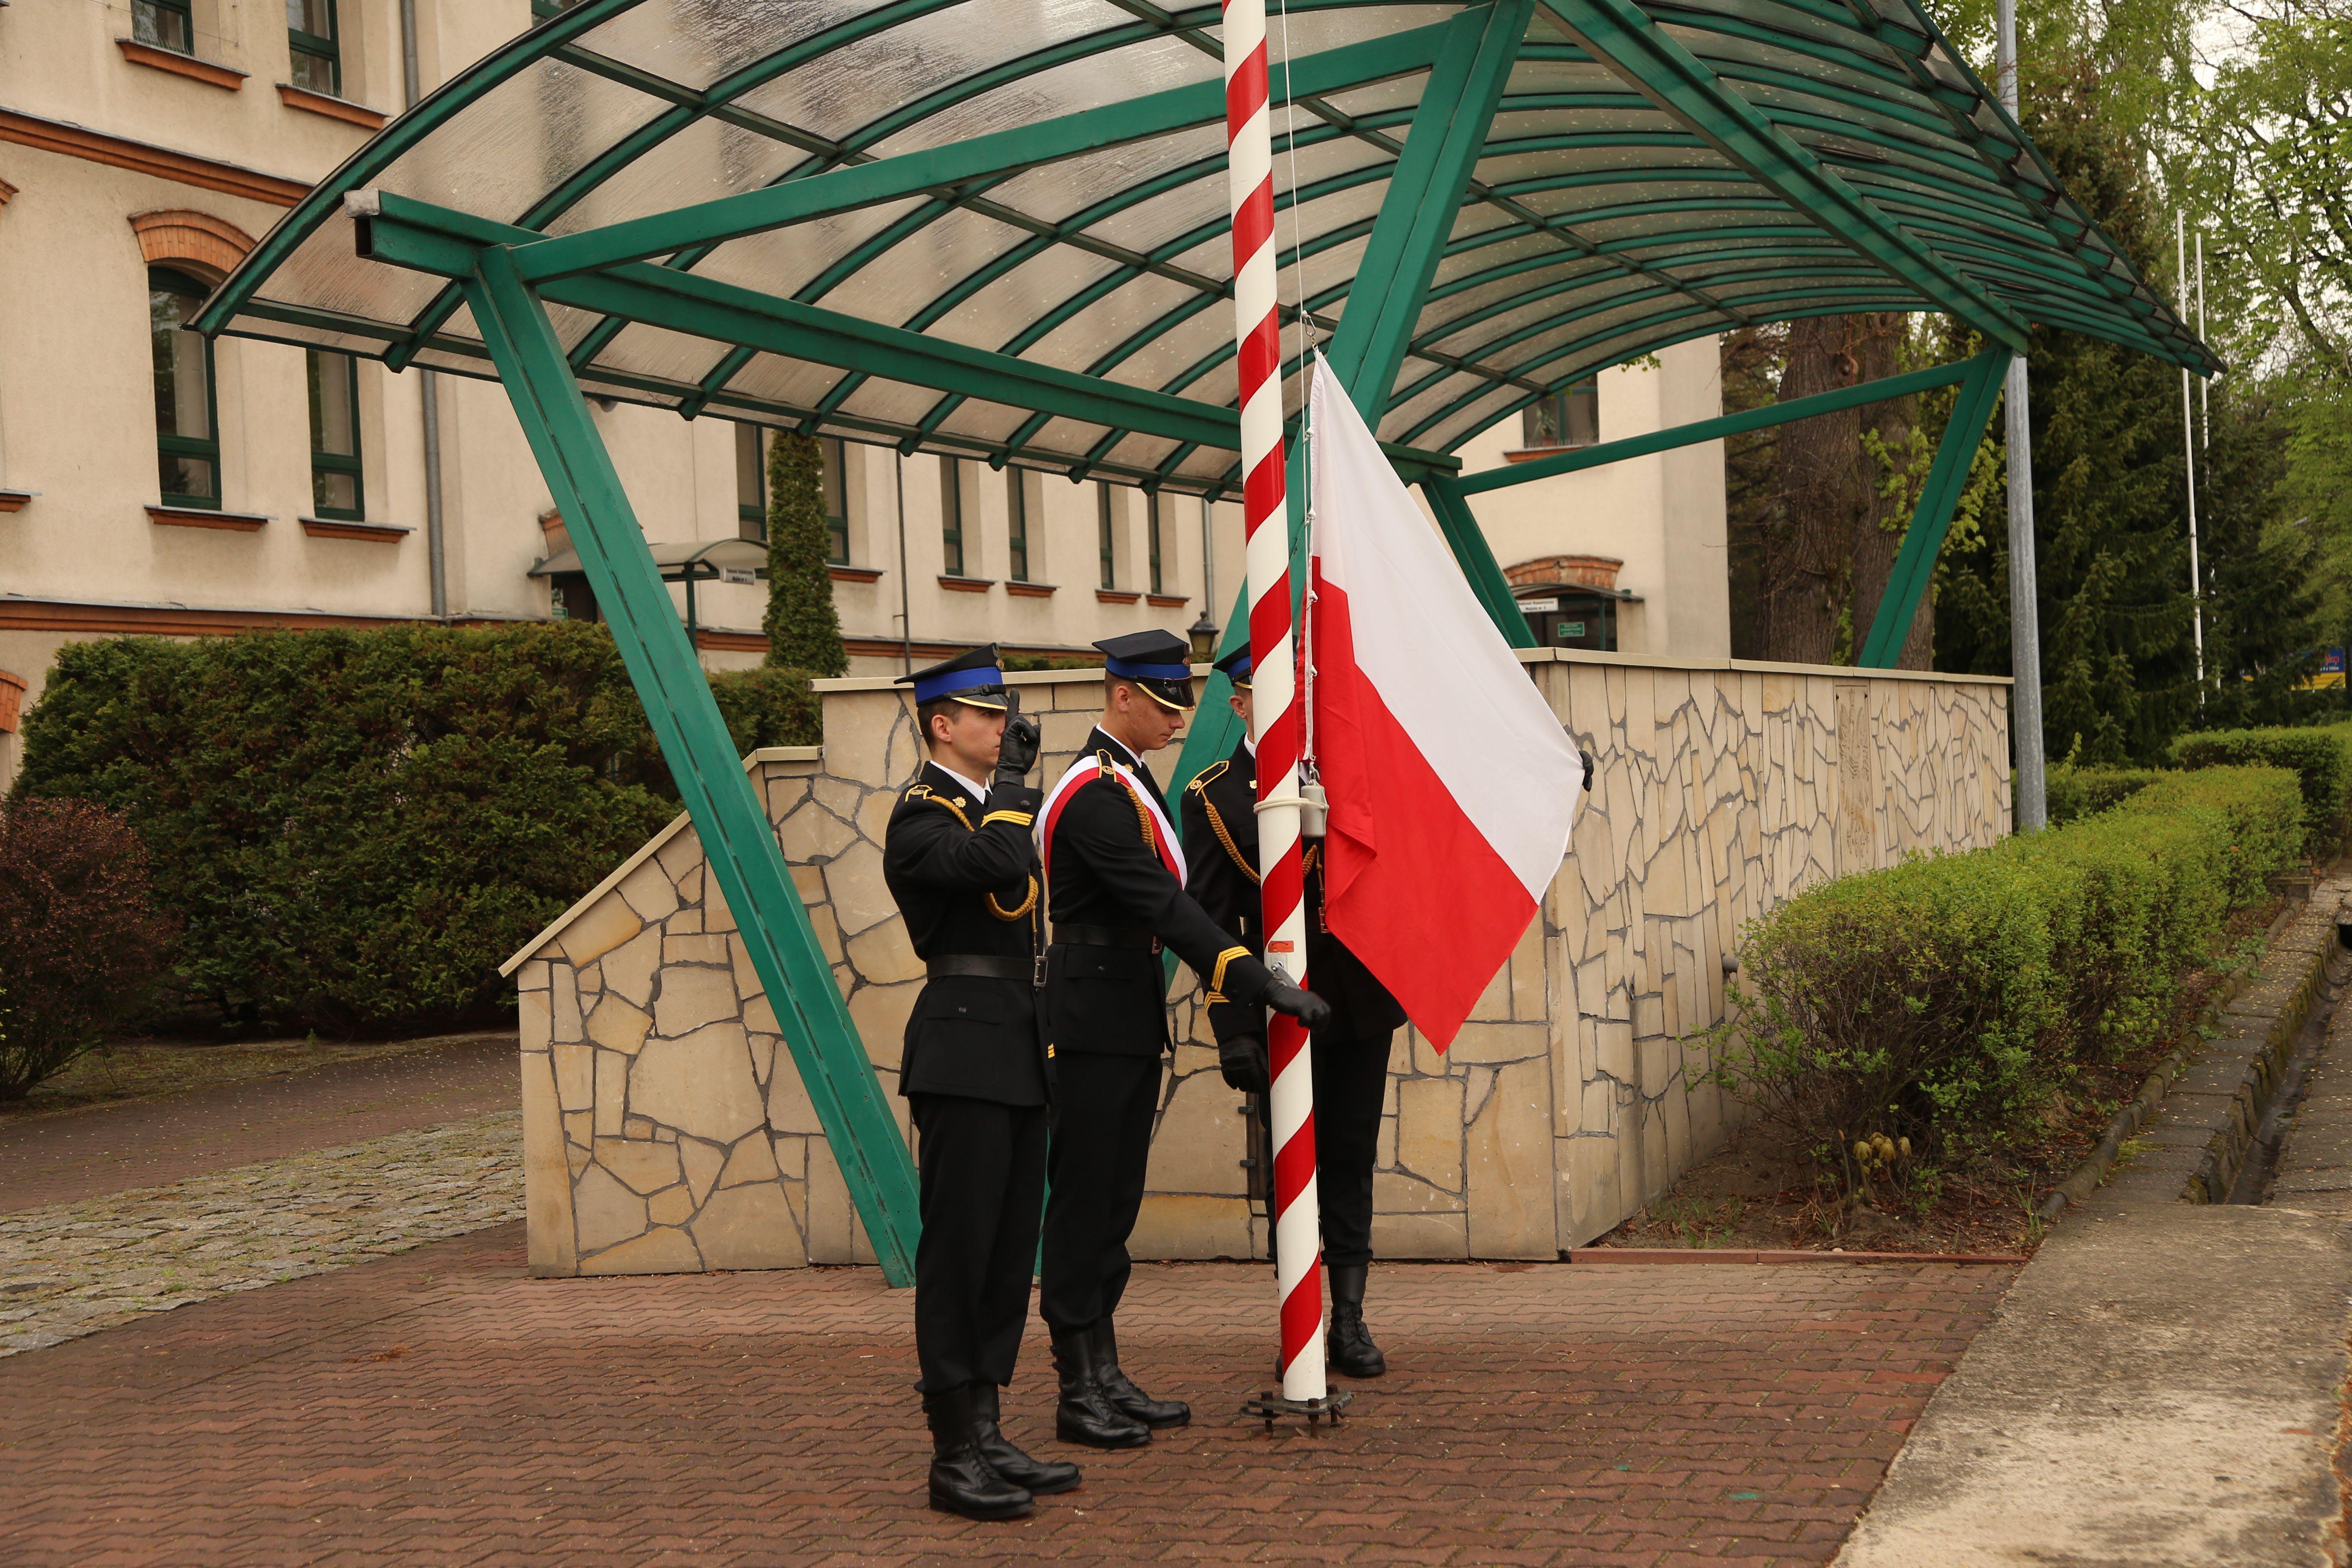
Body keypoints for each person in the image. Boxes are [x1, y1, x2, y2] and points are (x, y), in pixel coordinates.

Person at [1036, 629, 1332, 1448]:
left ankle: (1103, 1371)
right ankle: (1076, 1388)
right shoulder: (1095, 793)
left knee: (1114, 1202)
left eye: (1180, 705)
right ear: (1120, 697)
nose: (1175, 720)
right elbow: (1165, 907)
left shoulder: (1128, 783)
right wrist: (1258, 984)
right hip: (1092, 1018)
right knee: (1085, 1204)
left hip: (1121, 1012)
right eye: (1162, 705)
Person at [881, 645, 1077, 1521]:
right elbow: (994, 866)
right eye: (987, 716)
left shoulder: (990, 805)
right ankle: (952, 1445)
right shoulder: (921, 815)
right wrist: (1014, 792)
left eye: (1006, 715)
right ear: (942, 724)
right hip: (963, 1048)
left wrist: (1010, 796)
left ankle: (989, 1425)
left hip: (1015, 1045)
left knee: (1005, 1250)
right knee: (960, 1252)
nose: (1005, 729)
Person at [1181, 643, 1408, 1379]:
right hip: (1276, 1005)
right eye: (1261, 695)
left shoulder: (1345, 771)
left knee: (1349, 1158)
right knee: (1291, 1173)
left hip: (1357, 1000)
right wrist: (1235, 1029)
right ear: (1239, 703)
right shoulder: (1213, 795)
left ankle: (1348, 1318)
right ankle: (1301, 1321)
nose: (1278, 708)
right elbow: (1214, 923)